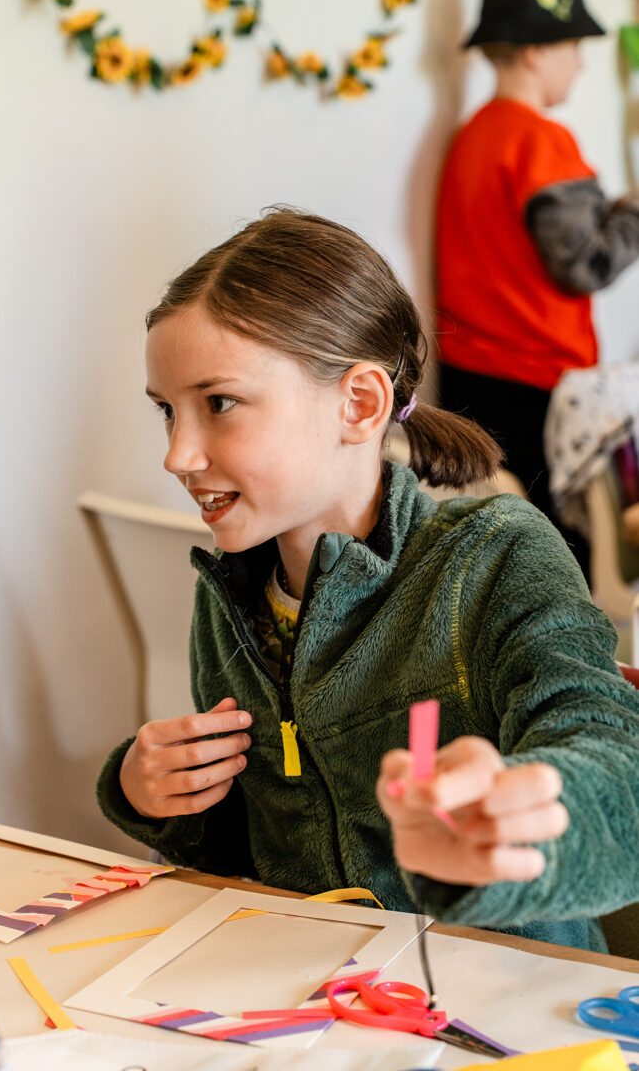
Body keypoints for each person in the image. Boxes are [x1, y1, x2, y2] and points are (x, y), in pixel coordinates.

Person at [97, 208, 639, 953]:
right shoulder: (227, 598)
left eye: (218, 403)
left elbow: (615, 762)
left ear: (359, 404)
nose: (178, 455)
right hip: (309, 988)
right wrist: (155, 795)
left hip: (500, 992)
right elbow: (247, 851)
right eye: (167, 412)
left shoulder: (496, 555)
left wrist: (526, 819)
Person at [435, 0, 639, 576]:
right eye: (573, 47)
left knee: (501, 553)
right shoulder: (542, 141)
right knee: (559, 563)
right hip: (534, 383)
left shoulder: (473, 136)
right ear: (535, 51)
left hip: (468, 377)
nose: (580, 64)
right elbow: (587, 263)